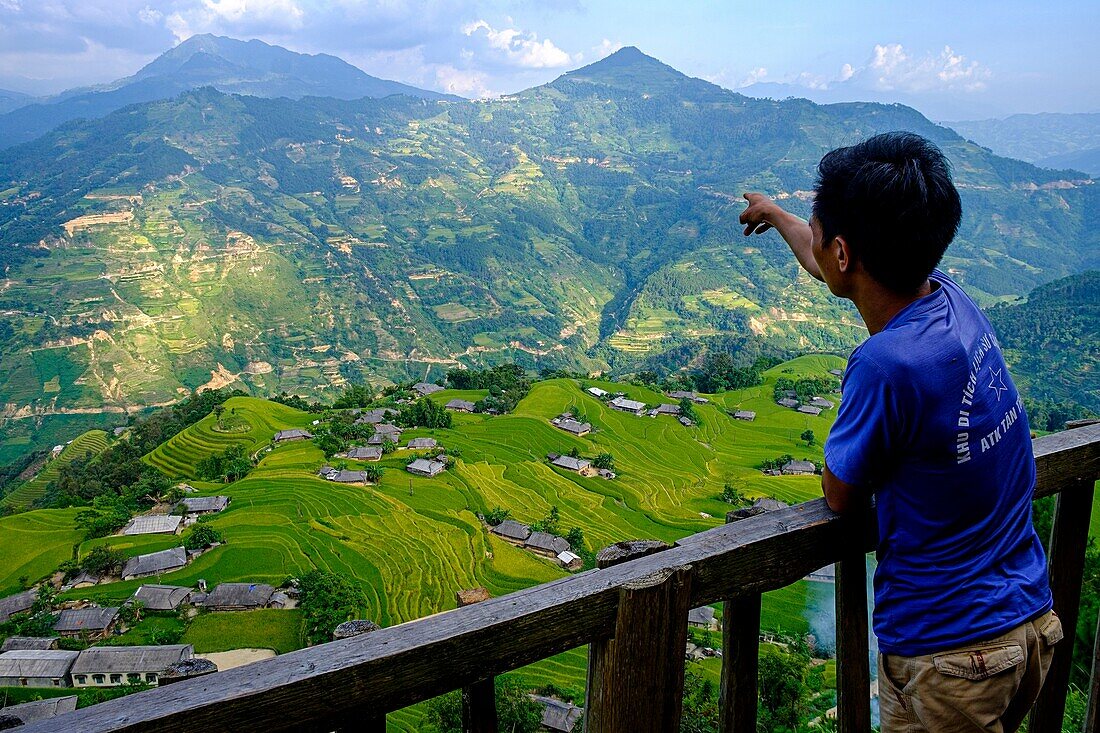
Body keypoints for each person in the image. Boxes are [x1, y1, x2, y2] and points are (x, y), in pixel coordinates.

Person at [740, 132, 1060, 733]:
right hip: (1028, 623)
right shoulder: (951, 301)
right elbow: (831, 263)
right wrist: (781, 216)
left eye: (816, 229)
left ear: (843, 252)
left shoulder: (886, 364)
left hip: (951, 658)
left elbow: (841, 494)